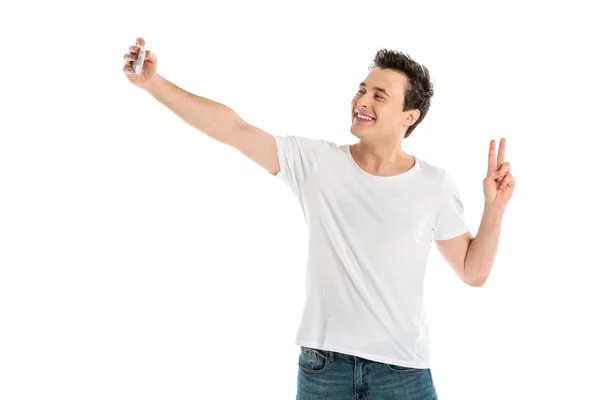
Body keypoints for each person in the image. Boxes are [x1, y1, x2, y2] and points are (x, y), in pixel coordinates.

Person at [123, 38, 515, 399]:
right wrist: (155, 85)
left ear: (408, 117)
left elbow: (472, 271)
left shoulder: (433, 184)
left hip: (403, 375)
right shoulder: (316, 163)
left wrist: (494, 209)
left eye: (379, 95)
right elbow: (234, 128)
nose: (363, 100)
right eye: (362, 89)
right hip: (324, 372)